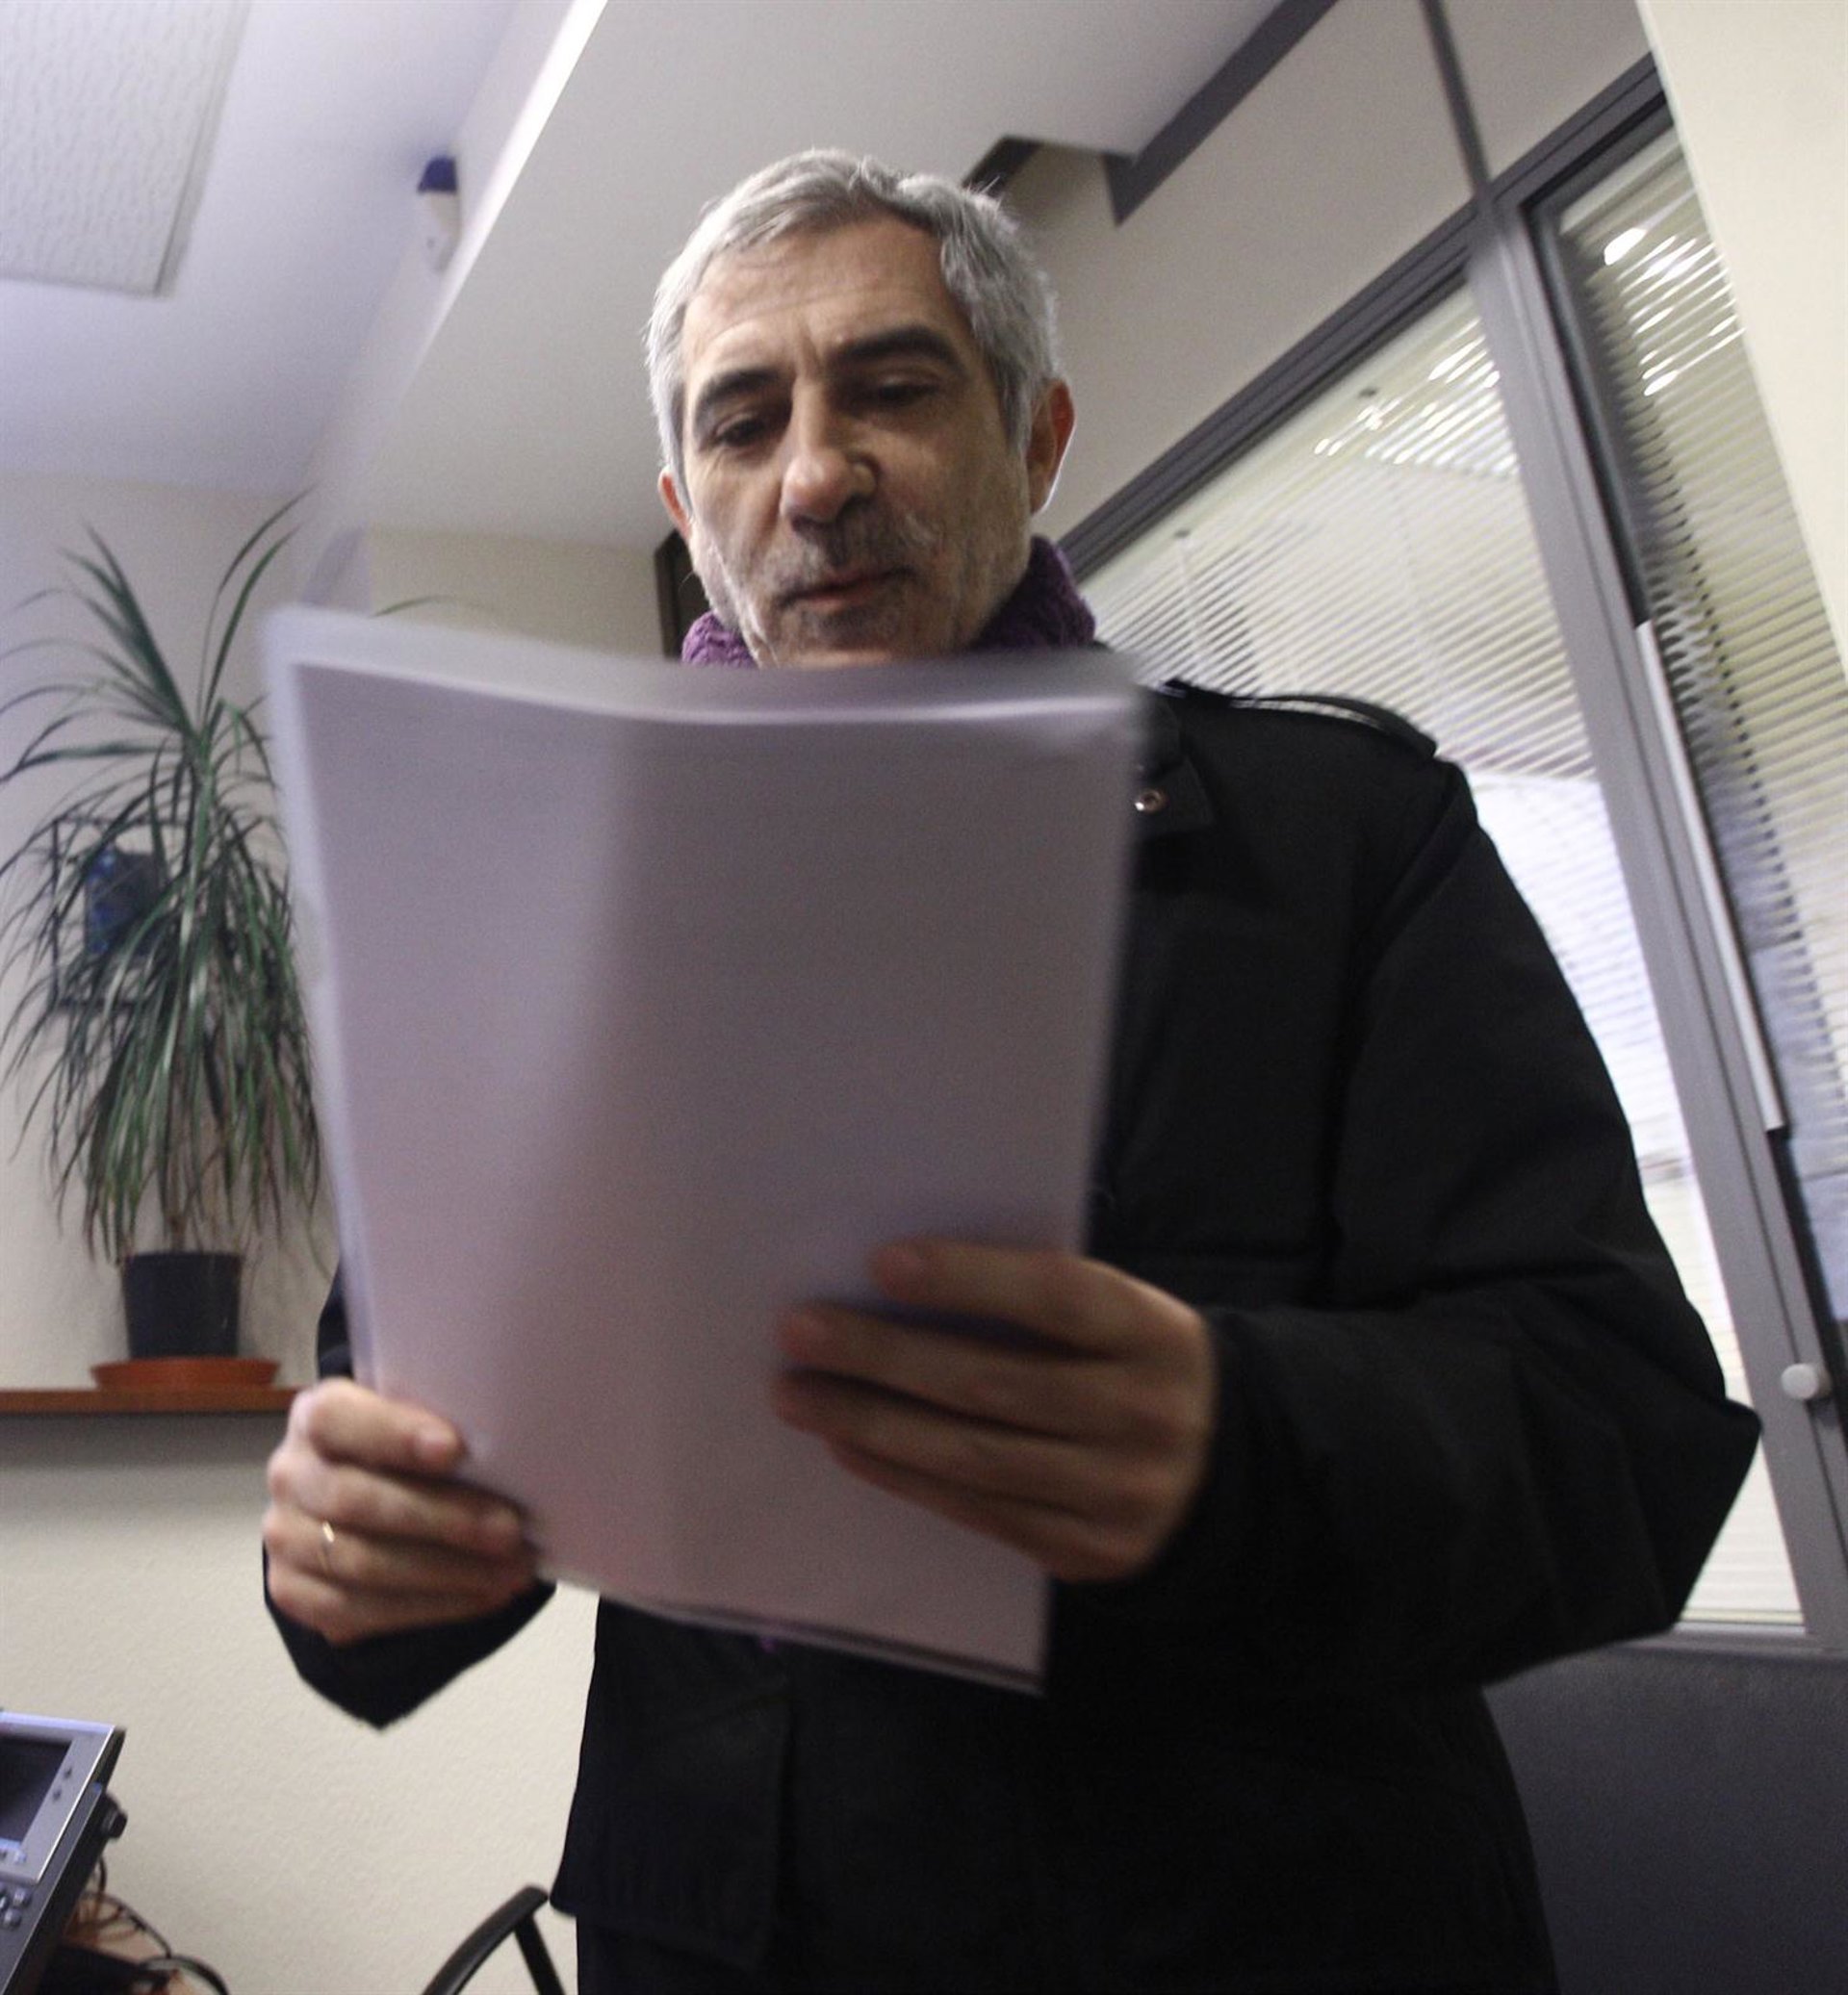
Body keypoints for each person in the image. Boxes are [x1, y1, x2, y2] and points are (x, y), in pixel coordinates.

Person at [266, 151, 1759, 1993]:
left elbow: (1622, 1431)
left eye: (891, 389)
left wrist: (1237, 1433)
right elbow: (397, 1468)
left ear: (1037, 438)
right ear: (685, 504)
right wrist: (353, 1559)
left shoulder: (1339, 837)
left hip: (1266, 1935)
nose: (815, 477)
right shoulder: (544, 927)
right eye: (744, 422)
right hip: (733, 1939)